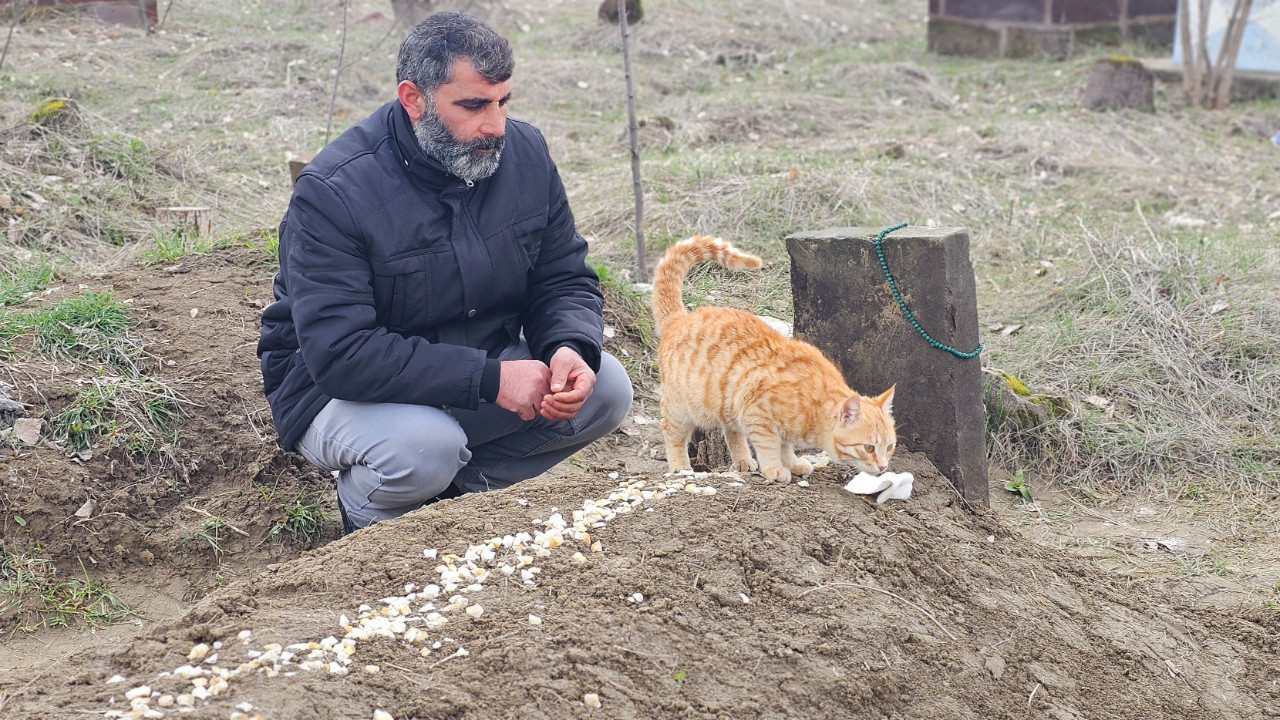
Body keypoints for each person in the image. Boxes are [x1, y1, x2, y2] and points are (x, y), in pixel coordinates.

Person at [257, 12, 633, 533]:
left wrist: (567, 345)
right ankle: (368, 528)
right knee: (424, 447)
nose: (497, 125)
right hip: (339, 391)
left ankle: (452, 507)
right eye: (474, 105)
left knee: (606, 388)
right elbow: (341, 354)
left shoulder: (524, 154)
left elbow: (563, 277)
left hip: (473, 369)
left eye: (503, 101)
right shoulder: (334, 192)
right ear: (414, 99)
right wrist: (491, 378)